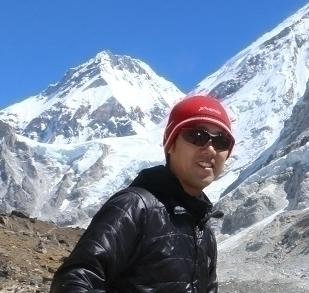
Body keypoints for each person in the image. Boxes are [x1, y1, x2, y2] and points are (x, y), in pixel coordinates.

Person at [50, 94, 236, 293]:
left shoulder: (203, 228)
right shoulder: (134, 206)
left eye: (221, 142)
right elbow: (73, 280)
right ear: (170, 144)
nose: (210, 149)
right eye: (197, 136)